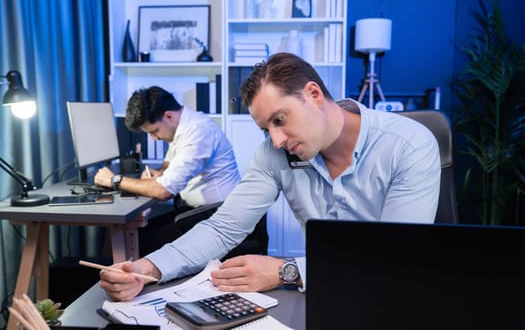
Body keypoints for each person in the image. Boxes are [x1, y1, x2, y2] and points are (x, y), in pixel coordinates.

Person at [99, 52, 440, 301]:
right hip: (323, 296)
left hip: (392, 299)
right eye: (266, 129)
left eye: (280, 119)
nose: (276, 140)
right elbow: (222, 228)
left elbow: (395, 261)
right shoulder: (274, 154)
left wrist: (284, 271)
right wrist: (147, 268)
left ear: (314, 95)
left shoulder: (408, 144)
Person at [94, 86, 241, 254]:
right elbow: (168, 164)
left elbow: (164, 192)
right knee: (126, 233)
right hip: (197, 212)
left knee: (130, 240)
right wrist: (159, 174)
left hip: (215, 218)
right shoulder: (183, 126)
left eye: (154, 131)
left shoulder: (198, 131)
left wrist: (115, 180)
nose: (154, 138)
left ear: (169, 116)